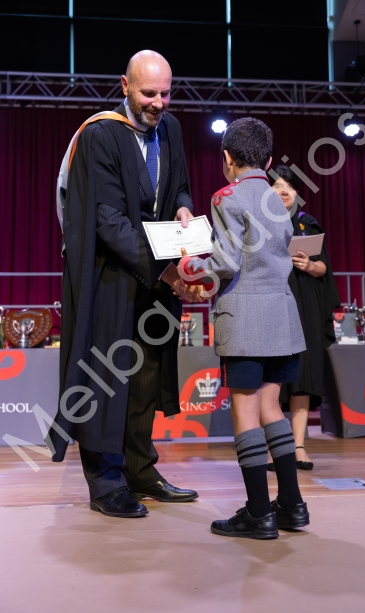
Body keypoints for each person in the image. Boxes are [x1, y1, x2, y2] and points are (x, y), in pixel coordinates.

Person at [47, 50, 205, 518]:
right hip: (110, 276)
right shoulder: (100, 135)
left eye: (166, 93)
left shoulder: (171, 129)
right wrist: (165, 271)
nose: (158, 103)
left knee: (146, 375)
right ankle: (106, 479)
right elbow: (107, 220)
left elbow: (179, 184)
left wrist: (182, 205)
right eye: (148, 93)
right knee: (108, 377)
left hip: (154, 277)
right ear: (125, 85)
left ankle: (140, 469)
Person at [179, 118, 309, 539]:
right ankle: (291, 505)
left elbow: (226, 262)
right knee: (273, 409)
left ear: (227, 158)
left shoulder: (227, 196)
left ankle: (258, 512)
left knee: (246, 411)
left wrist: (187, 264)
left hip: (246, 318)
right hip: (282, 315)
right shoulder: (279, 200)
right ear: (268, 161)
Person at [268, 166, 340, 470]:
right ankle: (273, 449)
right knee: (271, 377)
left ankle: (298, 447)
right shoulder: (260, 225)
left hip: (304, 305)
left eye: (290, 186)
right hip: (271, 303)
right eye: (278, 186)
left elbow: (323, 269)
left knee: (302, 377)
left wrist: (309, 265)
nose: (285, 191)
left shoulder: (306, 224)